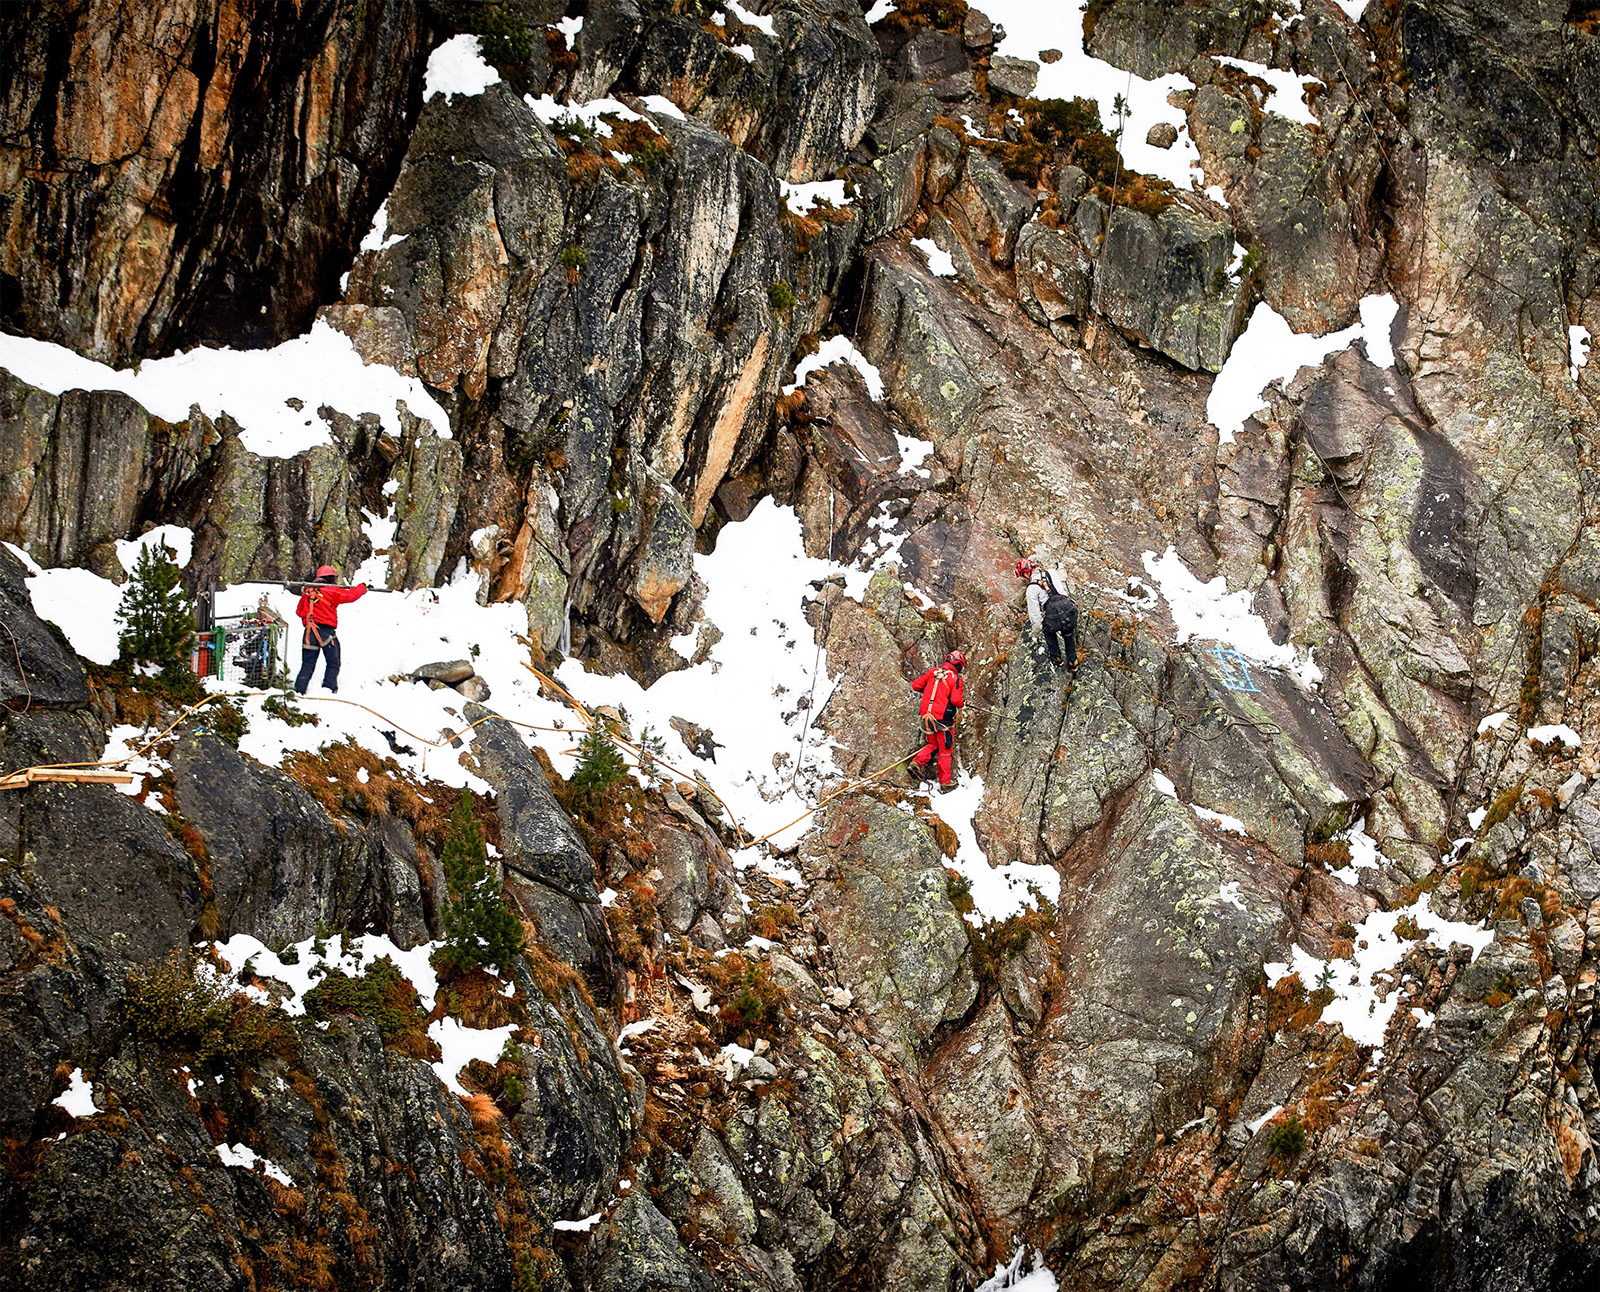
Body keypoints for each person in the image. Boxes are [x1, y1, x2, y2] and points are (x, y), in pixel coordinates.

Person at [294, 566, 367, 694]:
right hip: (325, 631)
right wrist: (363, 587)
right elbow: (350, 594)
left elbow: (299, 611)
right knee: (333, 662)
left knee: (307, 664)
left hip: (309, 632)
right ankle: (329, 688)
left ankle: (298, 691)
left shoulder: (307, 592)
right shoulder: (331, 590)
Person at [909, 650, 966, 788]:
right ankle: (945, 782)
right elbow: (956, 700)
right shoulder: (956, 679)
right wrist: (963, 702)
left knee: (932, 745)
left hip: (926, 717)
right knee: (945, 750)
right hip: (943, 720)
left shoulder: (933, 672)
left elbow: (916, 685)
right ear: (958, 665)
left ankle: (916, 763)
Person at [1019, 558, 1078, 672]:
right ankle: (1073, 663)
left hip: (1054, 616)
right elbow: (1063, 578)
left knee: (1048, 631)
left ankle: (1057, 658)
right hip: (1070, 609)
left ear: (1026, 573)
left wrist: (1035, 635)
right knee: (1068, 634)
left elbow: (1035, 617)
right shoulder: (1051, 572)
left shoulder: (1031, 589)